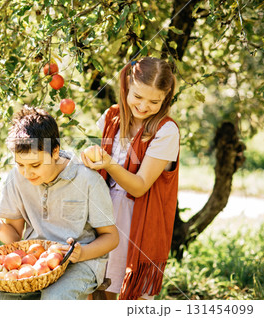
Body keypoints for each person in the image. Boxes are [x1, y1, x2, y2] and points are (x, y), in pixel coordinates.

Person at [0, 106, 119, 300]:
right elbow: (15, 239)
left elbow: (111, 237)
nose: (27, 173)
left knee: (54, 299)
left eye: (35, 165)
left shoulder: (88, 180)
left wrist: (81, 254)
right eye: (20, 164)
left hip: (80, 263)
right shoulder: (17, 177)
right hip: (34, 260)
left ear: (55, 152)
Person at [81, 57, 180, 300]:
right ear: (126, 85)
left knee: (129, 294)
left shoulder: (166, 131)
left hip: (136, 220)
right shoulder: (111, 117)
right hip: (101, 214)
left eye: (154, 101)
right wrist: (88, 157)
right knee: (96, 289)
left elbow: (140, 186)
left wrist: (109, 163)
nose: (144, 106)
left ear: (165, 98)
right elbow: (95, 166)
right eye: (138, 96)